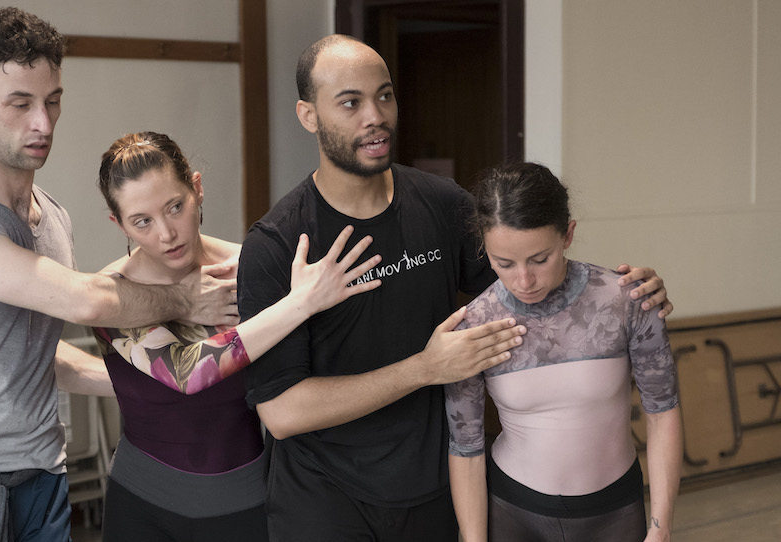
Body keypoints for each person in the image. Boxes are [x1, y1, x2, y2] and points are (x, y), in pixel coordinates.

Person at [237, 34, 673, 541]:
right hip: (324, 499)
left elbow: (530, 290)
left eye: (384, 95)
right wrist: (425, 368)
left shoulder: (442, 204)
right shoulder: (279, 243)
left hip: (436, 487)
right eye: (350, 103)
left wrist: (627, 296)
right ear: (308, 115)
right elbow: (283, 413)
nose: (375, 115)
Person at [0, 9, 236, 542]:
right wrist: (185, 300)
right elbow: (84, 301)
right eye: (20, 104)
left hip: (39, 473)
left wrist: (160, 381)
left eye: (53, 100)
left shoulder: (53, 217)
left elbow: (37, 348)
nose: (43, 123)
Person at [83, 131, 381, 541]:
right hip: (142, 504)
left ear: (197, 189)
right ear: (120, 224)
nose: (167, 233)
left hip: (247, 500)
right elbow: (187, 373)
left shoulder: (252, 265)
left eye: (175, 206)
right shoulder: (111, 293)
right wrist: (301, 304)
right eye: (143, 221)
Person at [444, 162, 682, 542]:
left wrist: (661, 525)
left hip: (615, 511)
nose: (524, 280)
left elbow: (663, 411)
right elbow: (465, 446)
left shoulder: (626, 300)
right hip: (513, 512)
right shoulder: (475, 325)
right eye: (503, 263)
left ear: (568, 235)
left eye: (540, 259)